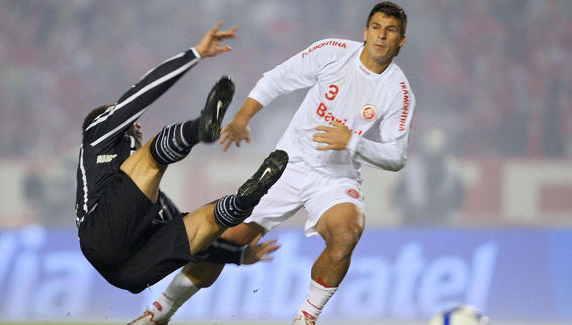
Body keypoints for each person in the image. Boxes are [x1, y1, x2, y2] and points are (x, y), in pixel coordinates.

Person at [131, 2, 415, 324]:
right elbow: (276, 79)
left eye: (390, 30)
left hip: (335, 179)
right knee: (224, 239)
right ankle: (159, 313)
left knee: (348, 232)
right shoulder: (333, 52)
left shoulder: (398, 91)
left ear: (401, 40)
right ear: (366, 31)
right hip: (286, 166)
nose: (381, 36)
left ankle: (305, 318)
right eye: (376, 27)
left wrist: (351, 142)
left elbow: (396, 156)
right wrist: (241, 119)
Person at [75, 21, 289, 300]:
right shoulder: (97, 132)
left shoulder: (147, 200)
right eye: (131, 124)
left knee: (206, 220)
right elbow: (140, 94)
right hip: (100, 237)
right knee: (152, 156)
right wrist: (196, 53)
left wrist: (238, 255)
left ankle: (243, 201)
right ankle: (200, 128)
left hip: (129, 274)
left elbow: (194, 239)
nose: (137, 125)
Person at [393, 128, 464, 225]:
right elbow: (398, 194)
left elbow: (458, 197)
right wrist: (407, 205)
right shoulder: (412, 167)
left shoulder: (451, 168)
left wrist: (447, 206)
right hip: (413, 219)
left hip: (442, 219)